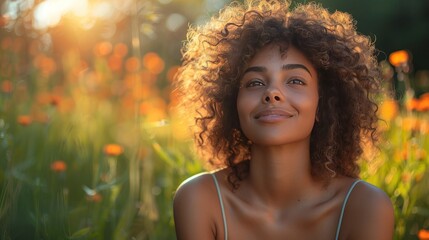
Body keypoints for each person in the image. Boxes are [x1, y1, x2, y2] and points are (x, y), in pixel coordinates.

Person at [172, 0, 395, 239]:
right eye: (255, 83)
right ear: (232, 103)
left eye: (295, 80)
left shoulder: (364, 207)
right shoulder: (200, 198)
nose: (272, 93)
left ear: (324, 102)